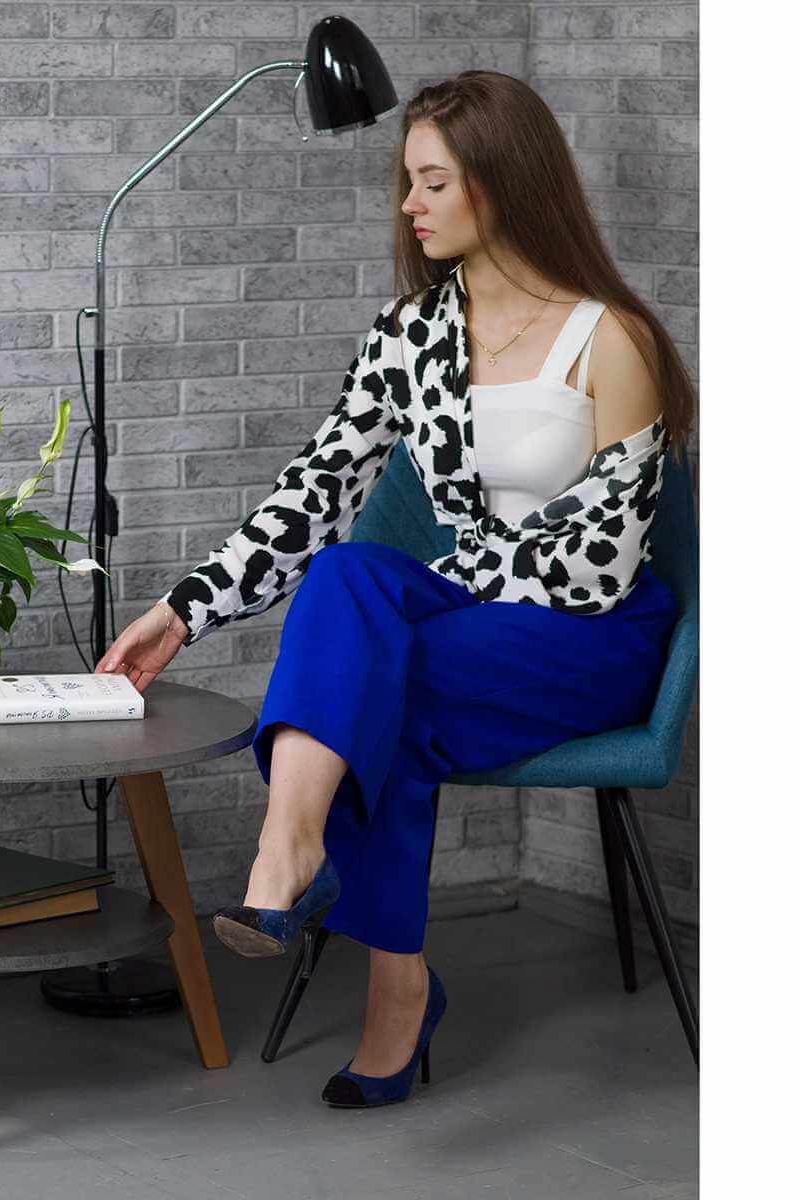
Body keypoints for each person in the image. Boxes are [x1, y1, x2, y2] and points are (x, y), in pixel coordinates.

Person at [93, 71, 696, 1108]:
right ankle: (308, 874)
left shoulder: (611, 339)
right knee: (347, 575)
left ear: (504, 182)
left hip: (590, 639)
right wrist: (182, 611)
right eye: (408, 181)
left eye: (433, 182)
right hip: (469, 628)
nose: (409, 204)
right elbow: (318, 488)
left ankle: (368, 955)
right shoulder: (410, 331)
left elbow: (599, 560)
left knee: (379, 675)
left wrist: (439, 588)